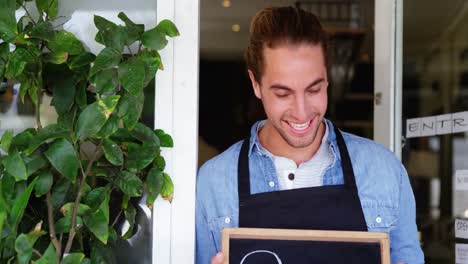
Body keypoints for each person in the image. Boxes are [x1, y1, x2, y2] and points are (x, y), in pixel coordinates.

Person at [196, 6, 424, 264]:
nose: (301, 112)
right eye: (283, 94)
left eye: (314, 89)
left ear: (327, 79)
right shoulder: (213, 183)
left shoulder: (384, 170)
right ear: (256, 84)